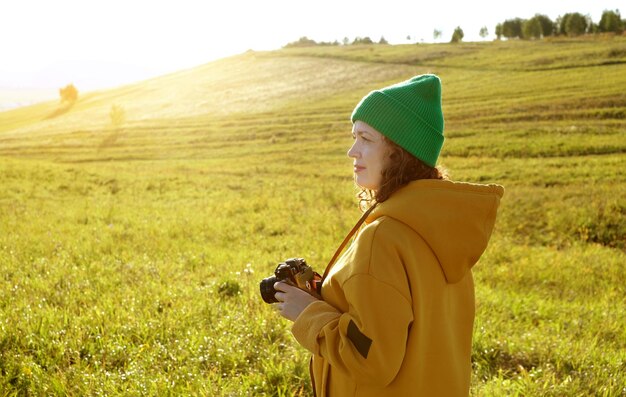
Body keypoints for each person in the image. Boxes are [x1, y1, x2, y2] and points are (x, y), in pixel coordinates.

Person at [273, 74, 504, 396]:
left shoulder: (383, 237)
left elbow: (370, 358)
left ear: (400, 151)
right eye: (354, 137)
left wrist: (306, 312)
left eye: (366, 139)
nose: (352, 151)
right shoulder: (440, 228)